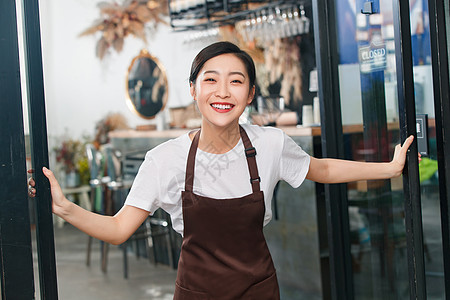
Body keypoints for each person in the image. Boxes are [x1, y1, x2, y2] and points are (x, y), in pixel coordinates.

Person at [29, 41, 417, 299]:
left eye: (236, 82)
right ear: (193, 90)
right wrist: (65, 208)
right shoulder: (165, 159)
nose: (222, 91)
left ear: (249, 95)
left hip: (259, 291)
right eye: (210, 80)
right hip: (196, 293)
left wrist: (391, 167)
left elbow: (323, 169)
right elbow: (118, 230)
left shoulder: (269, 144)